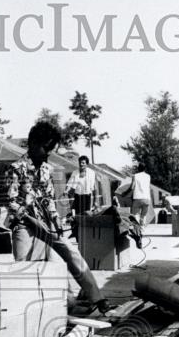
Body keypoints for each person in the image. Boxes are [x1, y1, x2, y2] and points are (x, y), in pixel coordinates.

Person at [6, 121, 111, 315]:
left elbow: (48, 198)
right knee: (23, 266)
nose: (48, 153)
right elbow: (11, 202)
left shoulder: (46, 169)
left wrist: (55, 221)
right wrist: (28, 219)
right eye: (46, 148)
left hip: (46, 224)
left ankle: (97, 298)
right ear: (33, 143)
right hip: (25, 225)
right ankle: (22, 312)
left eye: (51, 149)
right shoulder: (16, 168)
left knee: (71, 252)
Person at [118, 163, 152, 227]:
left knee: (135, 217)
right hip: (147, 199)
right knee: (143, 217)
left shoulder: (135, 176)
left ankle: (137, 231)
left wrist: (124, 194)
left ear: (138, 168)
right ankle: (142, 230)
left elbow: (132, 187)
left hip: (138, 199)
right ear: (145, 169)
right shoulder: (148, 176)